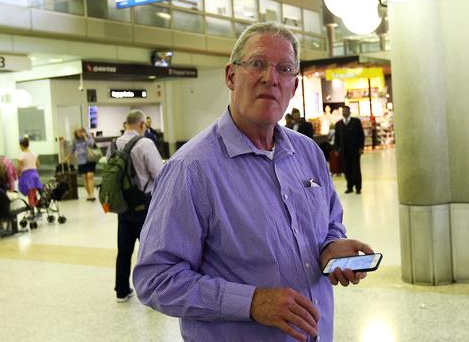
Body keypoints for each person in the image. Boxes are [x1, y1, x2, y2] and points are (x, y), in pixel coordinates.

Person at [133, 22, 373, 341]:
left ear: (294, 85)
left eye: (284, 69)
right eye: (257, 63)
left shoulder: (308, 154)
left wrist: (330, 248)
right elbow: (156, 279)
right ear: (231, 76)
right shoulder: (191, 169)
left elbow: (329, 223)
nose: (270, 78)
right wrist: (251, 302)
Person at [108, 110, 163, 303]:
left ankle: (121, 290)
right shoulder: (145, 143)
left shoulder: (114, 144)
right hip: (143, 205)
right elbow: (159, 173)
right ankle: (153, 291)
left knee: (124, 250)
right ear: (141, 125)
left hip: (123, 206)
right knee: (149, 250)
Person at [334, 106, 365, 194]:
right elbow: (337, 137)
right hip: (344, 151)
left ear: (349, 112)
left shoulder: (356, 122)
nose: (345, 112)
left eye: (346, 111)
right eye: (343, 111)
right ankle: (349, 186)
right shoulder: (338, 124)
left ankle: (358, 188)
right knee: (346, 169)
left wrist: (361, 147)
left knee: (356, 169)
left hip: (355, 150)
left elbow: (361, 135)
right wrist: (336, 149)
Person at [67, 128, 97, 201]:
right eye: (78, 132)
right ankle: (89, 194)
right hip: (81, 161)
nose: (80, 133)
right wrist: (67, 157)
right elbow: (72, 149)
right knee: (85, 178)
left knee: (90, 176)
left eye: (82, 132)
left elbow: (92, 144)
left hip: (90, 159)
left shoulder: (88, 137)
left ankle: (92, 195)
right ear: (76, 133)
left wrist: (86, 137)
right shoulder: (75, 140)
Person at [17, 136, 43, 209]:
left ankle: (32, 211)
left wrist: (18, 175)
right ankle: (37, 209)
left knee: (30, 195)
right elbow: (38, 165)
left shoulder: (21, 155)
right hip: (35, 175)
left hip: (27, 176)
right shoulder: (34, 153)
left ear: (21, 145)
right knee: (34, 193)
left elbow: (19, 168)